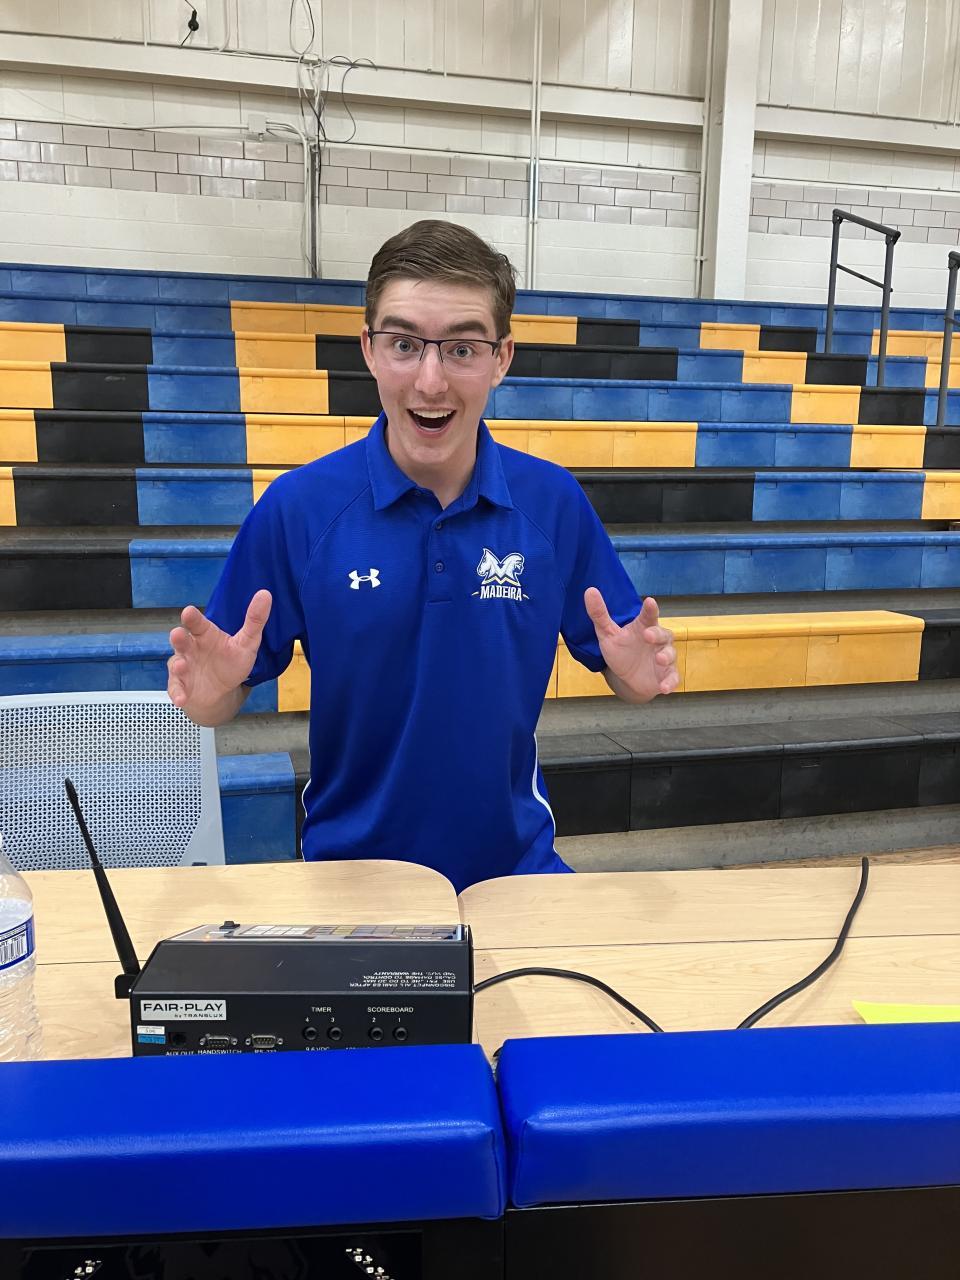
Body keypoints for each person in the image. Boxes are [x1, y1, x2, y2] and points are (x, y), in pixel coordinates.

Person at [167, 220, 679, 892]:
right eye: (405, 344)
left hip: (516, 872)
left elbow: (627, 670)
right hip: (353, 878)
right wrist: (210, 697)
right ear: (370, 350)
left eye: (462, 348)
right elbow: (216, 697)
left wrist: (636, 678)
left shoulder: (552, 503)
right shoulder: (299, 508)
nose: (431, 381)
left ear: (502, 358)